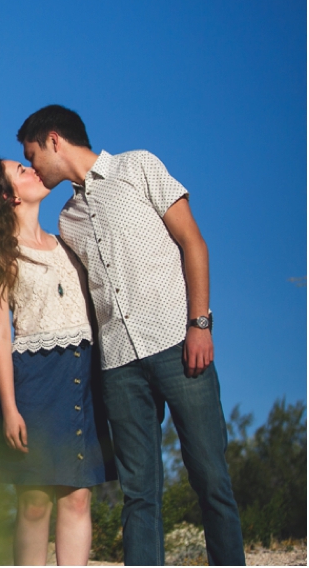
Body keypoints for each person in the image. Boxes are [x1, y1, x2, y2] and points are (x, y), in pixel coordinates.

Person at [16, 105, 246, 565]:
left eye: (32, 153)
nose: (33, 165)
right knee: (139, 493)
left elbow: (193, 243)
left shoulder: (138, 165)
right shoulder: (67, 220)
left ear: (55, 140)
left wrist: (199, 324)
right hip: (118, 366)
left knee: (210, 478)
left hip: (178, 346)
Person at [0, 158, 116, 565]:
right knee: (34, 502)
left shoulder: (67, 240)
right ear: (8, 196)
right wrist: (9, 407)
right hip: (33, 381)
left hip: (83, 374)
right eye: (20, 171)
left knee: (78, 498)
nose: (33, 170)